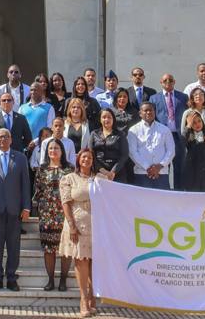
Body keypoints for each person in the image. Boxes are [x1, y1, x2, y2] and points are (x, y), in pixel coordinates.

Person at [0, 128, 31, 292]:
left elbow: (25, 184)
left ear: (11, 140)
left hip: (15, 209)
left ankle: (11, 278)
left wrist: (26, 207)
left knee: (14, 246)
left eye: (6, 137)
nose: (2, 139)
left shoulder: (21, 158)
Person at [60, 148, 108, 317]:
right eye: (84, 157)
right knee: (81, 260)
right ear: (78, 160)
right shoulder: (69, 178)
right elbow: (66, 203)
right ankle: (83, 299)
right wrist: (72, 225)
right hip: (78, 224)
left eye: (90, 158)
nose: (86, 160)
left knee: (95, 262)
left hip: (97, 223)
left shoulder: (100, 179)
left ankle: (93, 297)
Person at [33, 138, 73, 292]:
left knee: (65, 247)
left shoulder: (69, 169)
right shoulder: (42, 169)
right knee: (48, 248)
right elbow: (38, 191)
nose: (53, 150)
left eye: (56, 148)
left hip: (65, 214)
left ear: (62, 151)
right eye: (50, 148)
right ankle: (50, 280)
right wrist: (43, 208)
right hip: (47, 214)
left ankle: (63, 279)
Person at [151, 73, 190, 191]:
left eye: (170, 80)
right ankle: (165, 190)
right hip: (162, 136)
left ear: (174, 81)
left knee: (179, 165)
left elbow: (188, 114)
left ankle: (179, 191)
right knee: (163, 165)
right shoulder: (154, 98)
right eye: (165, 80)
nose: (168, 82)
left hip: (178, 136)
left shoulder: (183, 97)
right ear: (161, 83)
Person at [127, 101, 175, 190]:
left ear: (154, 112)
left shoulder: (165, 129)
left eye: (151, 110)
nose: (148, 112)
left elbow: (171, 150)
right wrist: (147, 168)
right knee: (143, 202)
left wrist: (159, 166)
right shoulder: (133, 130)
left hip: (162, 173)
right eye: (145, 111)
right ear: (140, 113)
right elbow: (132, 152)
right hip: (142, 173)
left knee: (162, 201)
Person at [89, 108, 129, 183]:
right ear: (100, 120)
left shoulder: (120, 134)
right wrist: (101, 170)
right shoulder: (94, 134)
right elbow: (91, 153)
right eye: (104, 117)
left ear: (113, 119)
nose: (107, 119)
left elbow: (124, 154)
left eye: (109, 117)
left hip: (117, 171)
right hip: (99, 171)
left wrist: (113, 172)